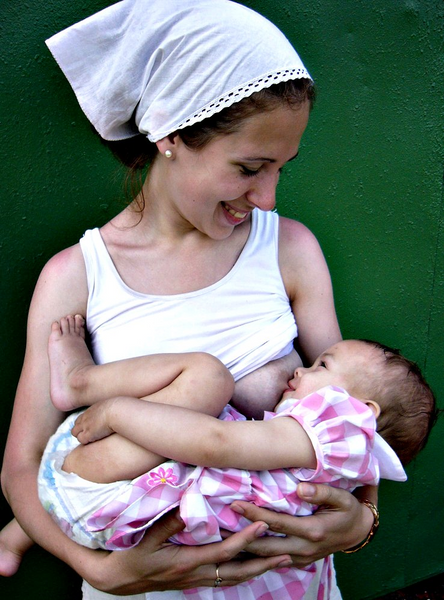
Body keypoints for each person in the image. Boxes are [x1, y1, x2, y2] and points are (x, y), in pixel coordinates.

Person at [1, 0, 380, 597]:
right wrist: (98, 569)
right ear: (173, 134)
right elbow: (21, 468)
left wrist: (361, 522)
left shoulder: (288, 251)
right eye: (250, 167)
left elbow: (354, 414)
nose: (268, 198)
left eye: (282, 168)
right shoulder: (78, 278)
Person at [33, 316, 435, 599]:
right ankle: (18, 534)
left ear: (361, 413)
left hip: (111, 498)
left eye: (321, 365)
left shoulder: (335, 432)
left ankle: (80, 382)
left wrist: (117, 411)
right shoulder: (342, 467)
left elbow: (216, 441)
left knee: (208, 376)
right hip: (121, 525)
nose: (299, 372)